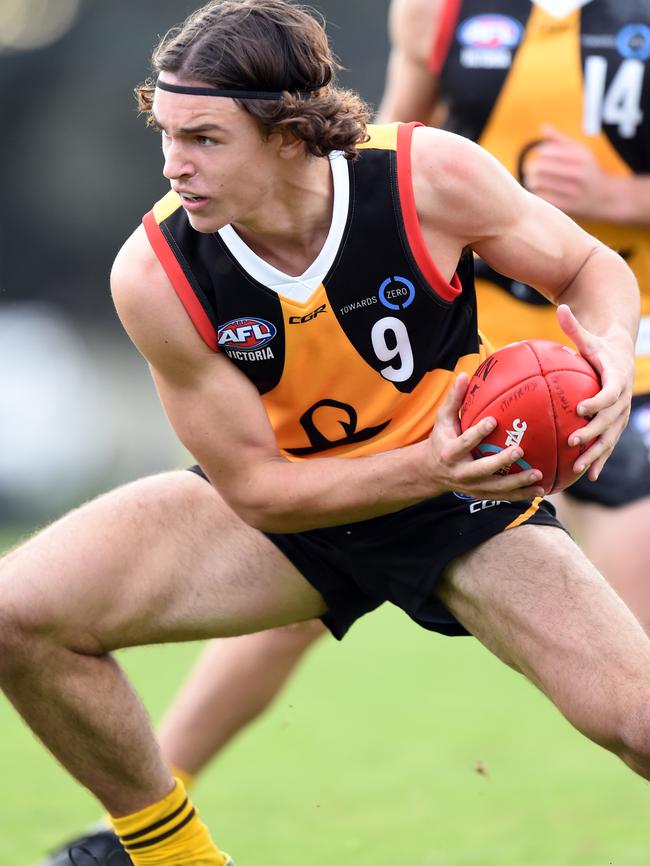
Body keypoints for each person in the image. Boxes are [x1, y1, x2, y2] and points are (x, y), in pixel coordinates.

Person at [3, 1, 647, 865]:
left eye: (204, 138)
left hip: (468, 503)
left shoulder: (427, 176)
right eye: (166, 133)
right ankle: (167, 857)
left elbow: (587, 267)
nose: (173, 165)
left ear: (288, 133)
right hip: (299, 512)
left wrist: (606, 349)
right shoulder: (156, 273)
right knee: (18, 615)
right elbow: (260, 491)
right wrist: (429, 463)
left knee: (638, 725)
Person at [377, 0, 650, 626]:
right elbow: (383, 165)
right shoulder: (431, 10)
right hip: (467, 359)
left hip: (622, 353)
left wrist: (614, 194)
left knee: (636, 629)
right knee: (312, 580)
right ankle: (177, 732)